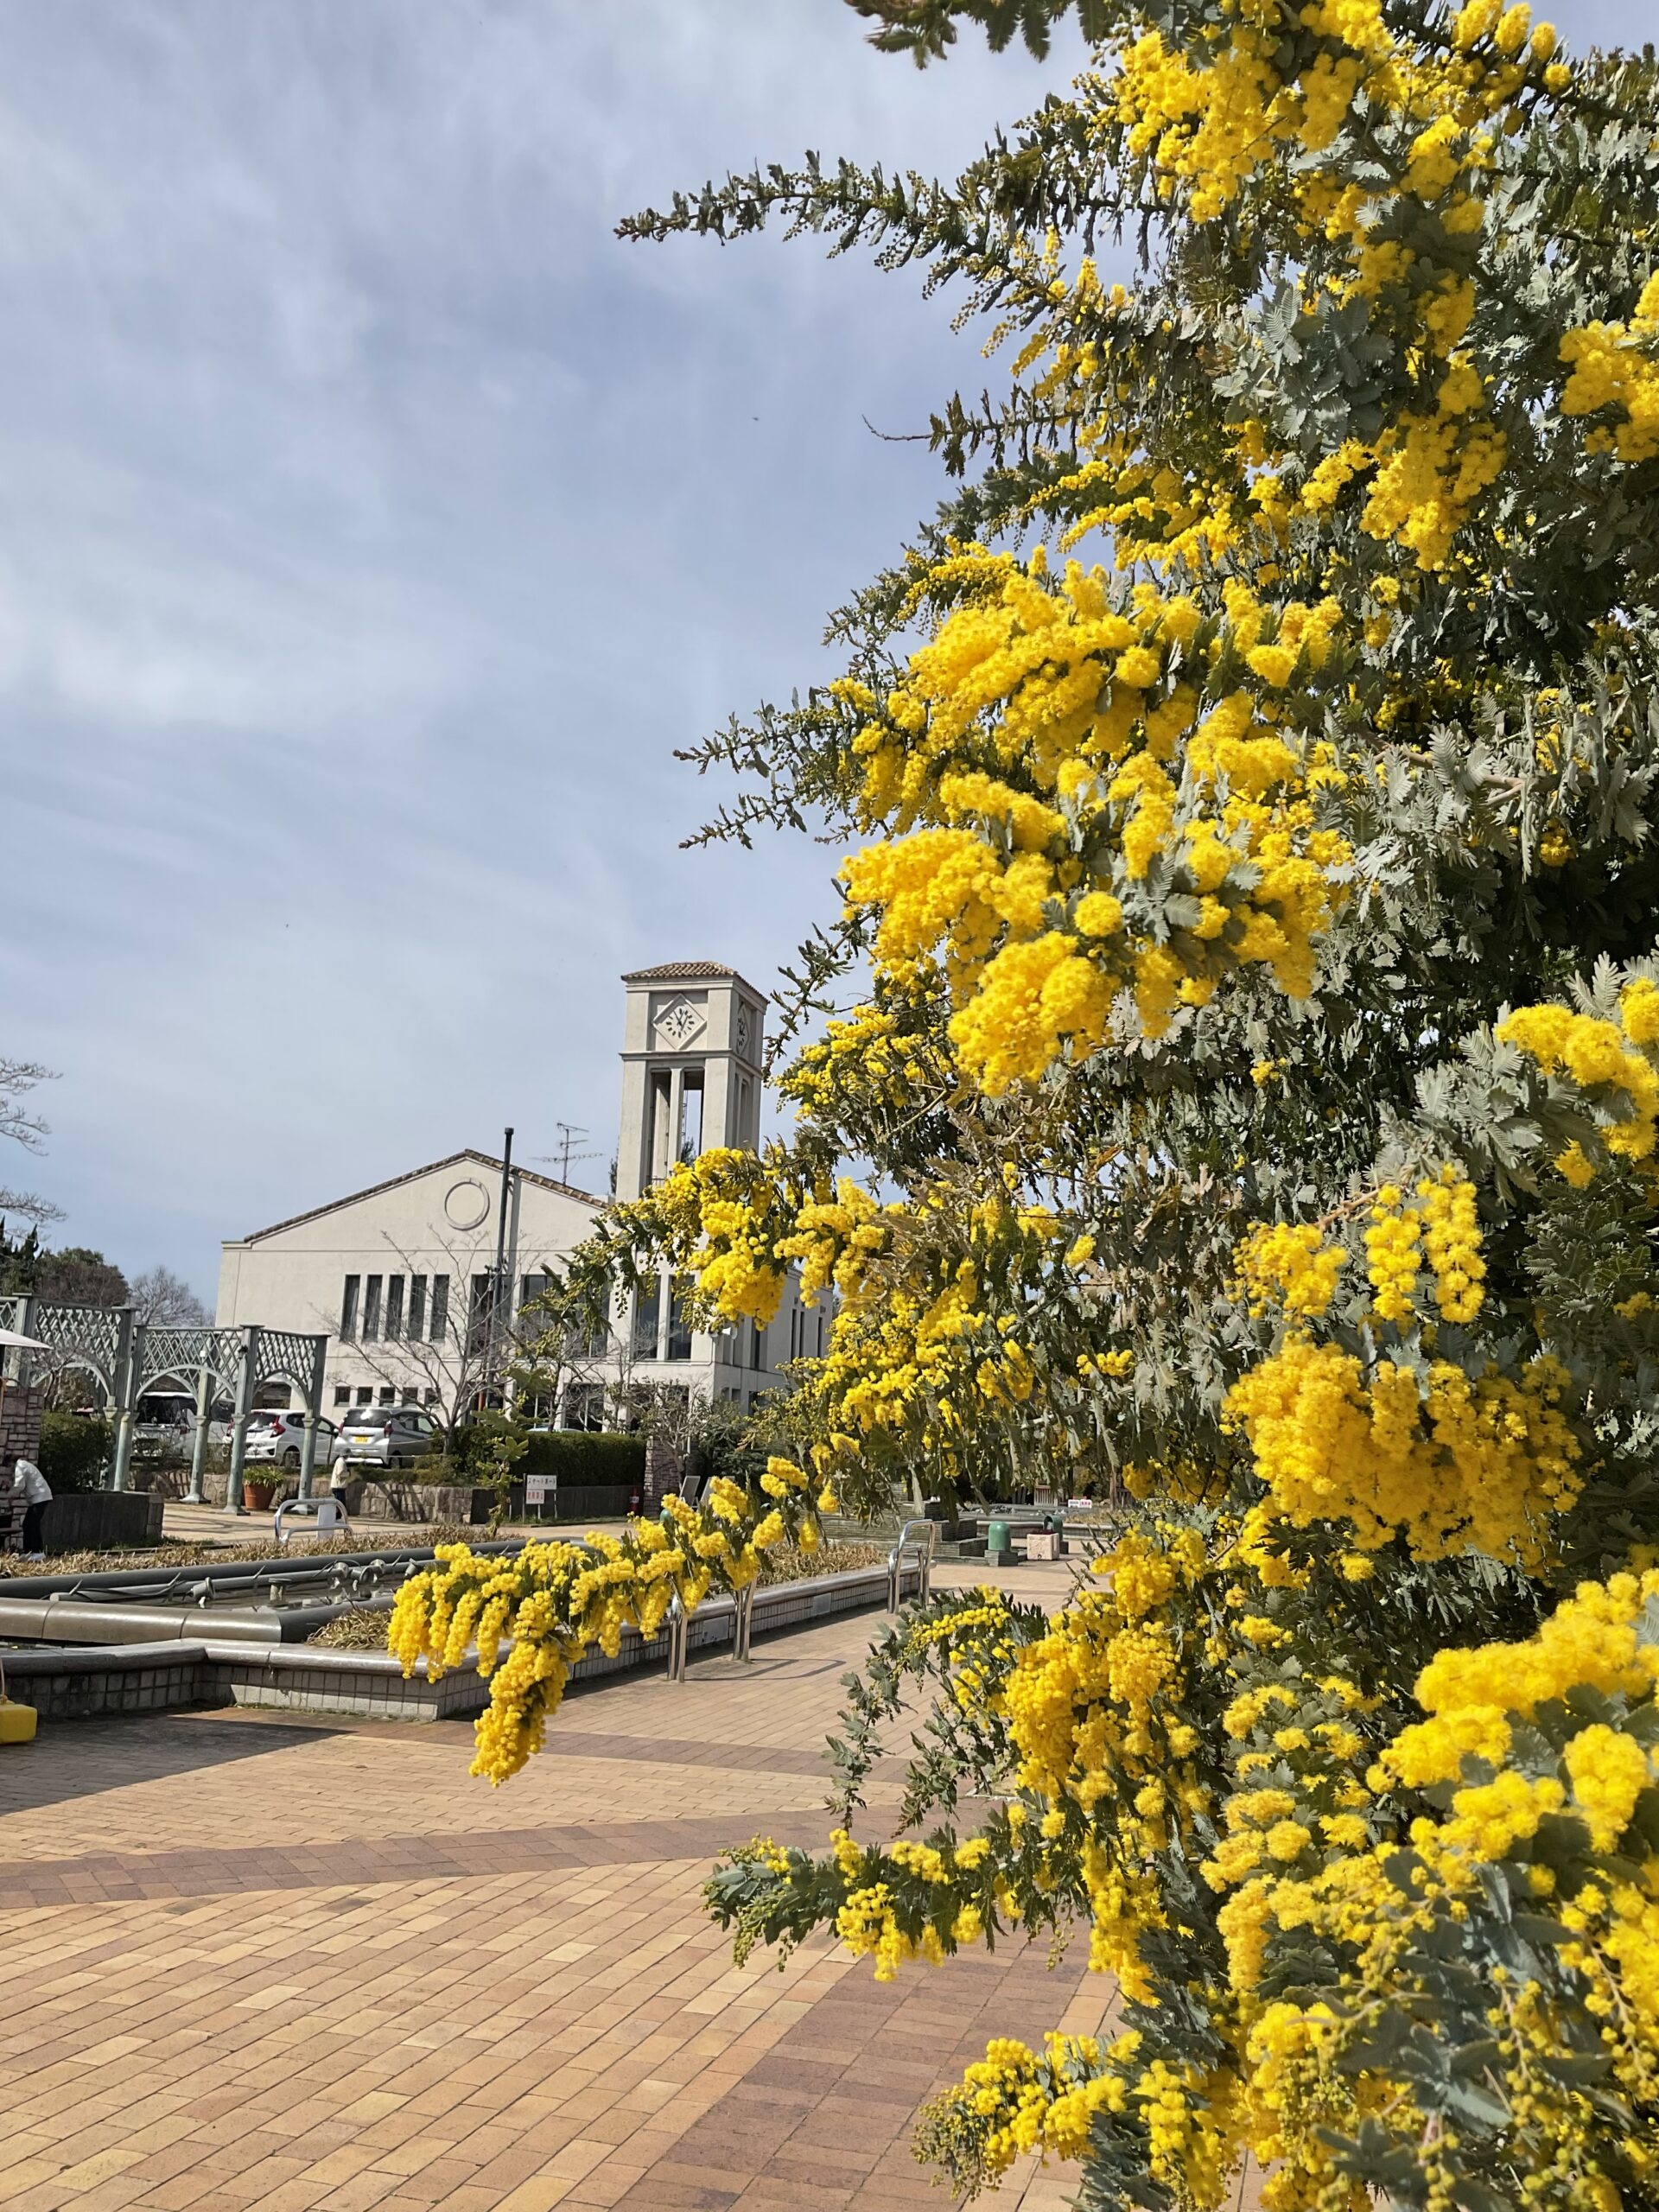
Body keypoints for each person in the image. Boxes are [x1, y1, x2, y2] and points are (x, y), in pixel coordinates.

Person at [15, 1456, 51, 1556]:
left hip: (40, 1497)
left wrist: (9, 1493)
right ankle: (30, 1551)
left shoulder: (20, 1466)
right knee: (29, 1523)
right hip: (39, 1497)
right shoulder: (24, 1465)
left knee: (32, 1524)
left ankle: (36, 1551)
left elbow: (19, 1485)